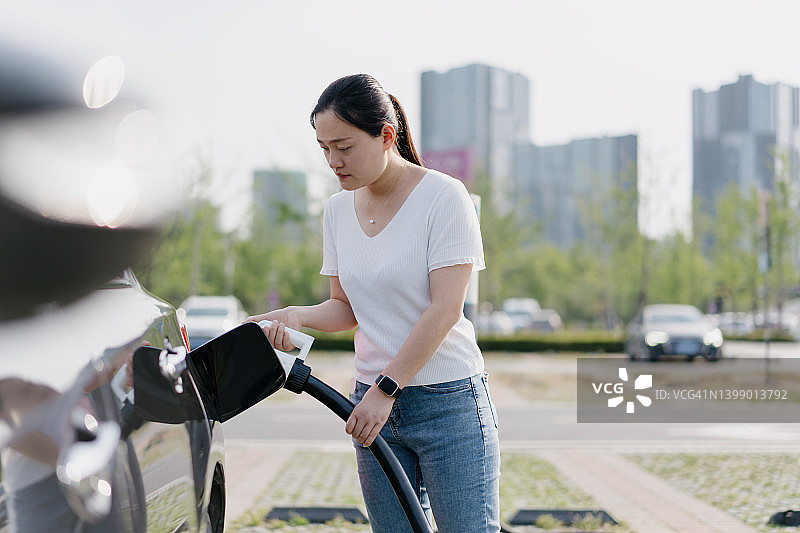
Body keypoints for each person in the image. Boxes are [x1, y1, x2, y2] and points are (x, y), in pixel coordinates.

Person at [248, 74, 500, 533]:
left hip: (448, 402)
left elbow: (445, 310)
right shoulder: (337, 211)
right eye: (324, 149)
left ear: (387, 135)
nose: (333, 161)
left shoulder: (444, 197)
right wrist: (295, 317)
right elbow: (346, 307)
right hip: (370, 404)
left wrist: (387, 389)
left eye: (344, 147)